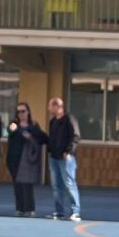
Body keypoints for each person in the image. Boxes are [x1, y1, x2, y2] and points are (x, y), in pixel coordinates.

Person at [46, 95, 84, 228]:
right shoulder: (52, 121)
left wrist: (69, 151)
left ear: (57, 106)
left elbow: (76, 136)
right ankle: (59, 211)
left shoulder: (69, 119)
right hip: (54, 157)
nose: (49, 109)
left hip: (66, 158)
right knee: (57, 186)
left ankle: (75, 212)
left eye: (50, 106)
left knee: (69, 184)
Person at [7, 101, 45, 216]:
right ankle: (20, 208)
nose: (21, 114)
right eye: (18, 112)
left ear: (28, 112)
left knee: (28, 184)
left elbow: (41, 138)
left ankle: (30, 208)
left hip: (28, 159)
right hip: (14, 158)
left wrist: (30, 136)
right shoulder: (14, 124)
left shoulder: (34, 125)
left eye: (23, 111)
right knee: (17, 184)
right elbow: (9, 130)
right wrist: (15, 127)